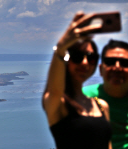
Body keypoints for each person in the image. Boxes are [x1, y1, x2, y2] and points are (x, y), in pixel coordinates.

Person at [43, 11, 112, 149]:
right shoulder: (60, 104)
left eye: (91, 57)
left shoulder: (102, 106)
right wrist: (61, 48)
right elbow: (54, 90)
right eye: (77, 56)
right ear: (67, 61)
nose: (85, 63)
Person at [83, 39, 128, 149]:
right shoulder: (83, 97)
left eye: (124, 63)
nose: (117, 67)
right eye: (110, 61)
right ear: (101, 69)